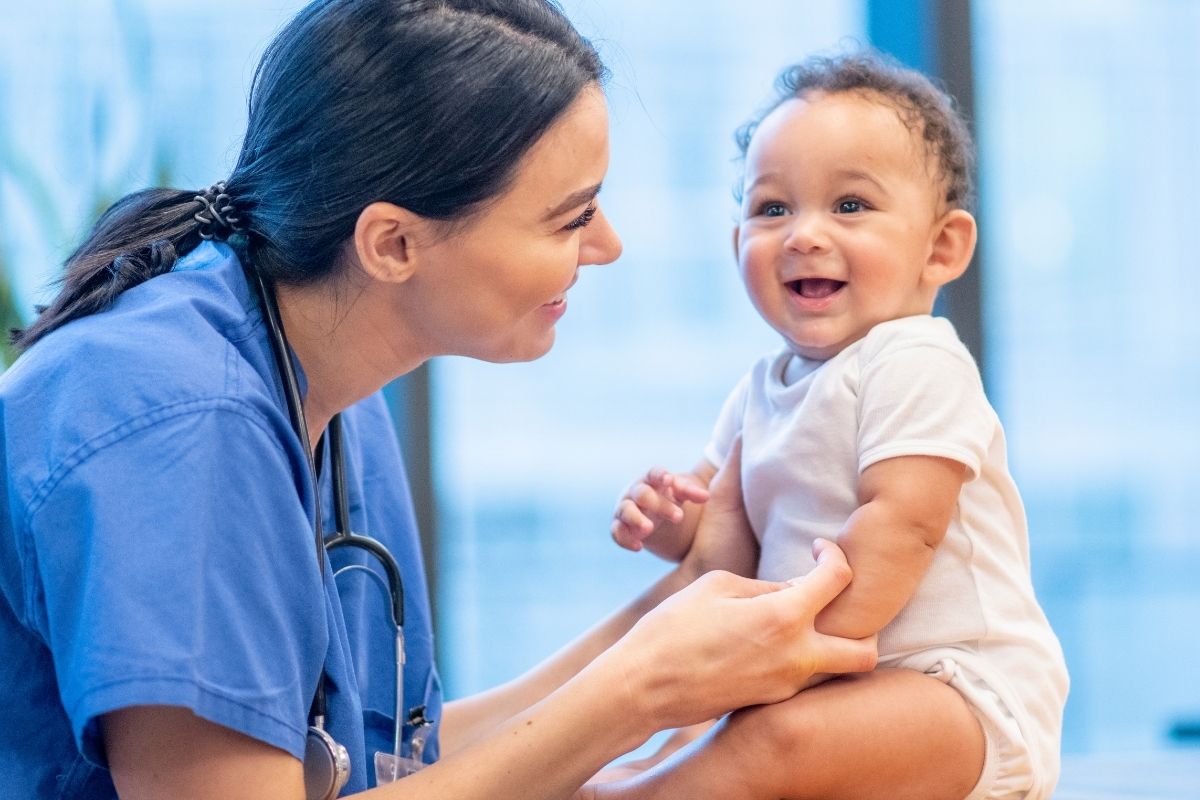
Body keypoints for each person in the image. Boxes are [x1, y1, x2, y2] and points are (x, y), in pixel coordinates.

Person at [0, 5, 885, 799]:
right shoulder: (179, 424)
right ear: (391, 243)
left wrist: (675, 607)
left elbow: (376, 762)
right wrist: (639, 691)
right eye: (570, 218)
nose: (607, 247)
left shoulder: (330, 385)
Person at [604, 51, 1069, 799]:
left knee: (772, 740)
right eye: (772, 208)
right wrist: (667, 520)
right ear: (737, 247)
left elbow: (903, 525)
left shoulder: (915, 360)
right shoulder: (762, 387)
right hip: (822, 678)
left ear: (941, 247)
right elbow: (716, 531)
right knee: (732, 734)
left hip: (957, 694)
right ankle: (649, 776)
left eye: (849, 206)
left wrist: (790, 659)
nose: (803, 235)